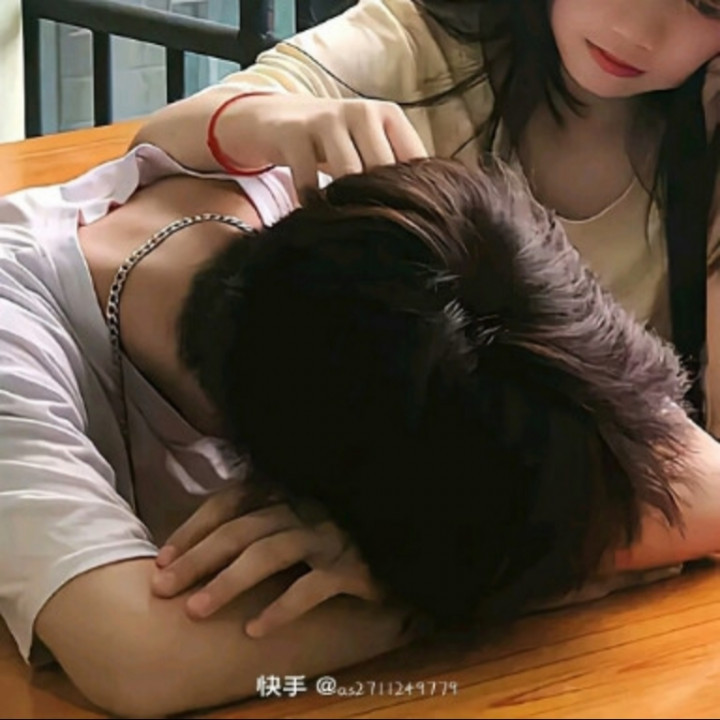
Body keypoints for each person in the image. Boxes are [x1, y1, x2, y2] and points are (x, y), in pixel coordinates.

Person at [3, 141, 720, 718]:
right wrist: (458, 588)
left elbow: (705, 488)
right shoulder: (18, 347)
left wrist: (426, 567)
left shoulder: (399, 242)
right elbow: (137, 659)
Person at [133, 0, 720, 422]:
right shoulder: (421, 45)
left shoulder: (706, 126)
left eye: (706, 5)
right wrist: (272, 118)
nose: (637, 30)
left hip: (606, 521)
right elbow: (166, 136)